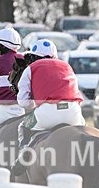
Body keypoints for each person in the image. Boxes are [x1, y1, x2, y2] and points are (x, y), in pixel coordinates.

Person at [14, 39, 84, 174]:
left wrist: (35, 104)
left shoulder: (30, 69)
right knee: (84, 130)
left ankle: (22, 157)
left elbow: (23, 102)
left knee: (23, 126)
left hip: (47, 114)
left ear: (34, 56)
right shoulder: (67, 66)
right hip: (74, 113)